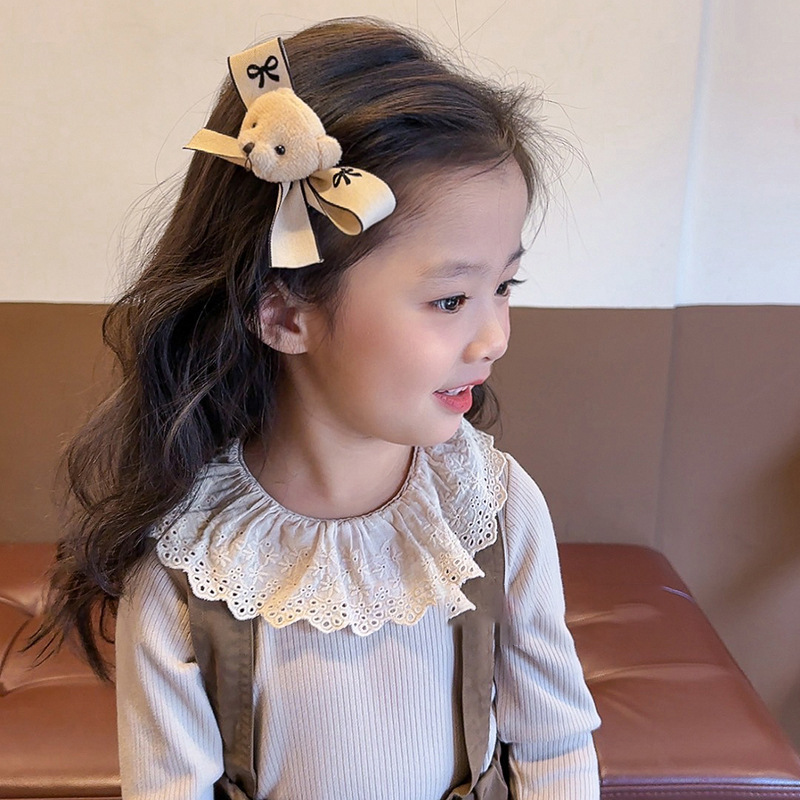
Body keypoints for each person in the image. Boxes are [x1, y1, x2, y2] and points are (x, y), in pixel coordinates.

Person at [33, 16, 601, 800]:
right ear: (284, 313)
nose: (495, 337)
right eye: (450, 299)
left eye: (504, 286)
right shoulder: (189, 561)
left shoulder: (495, 510)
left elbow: (556, 747)